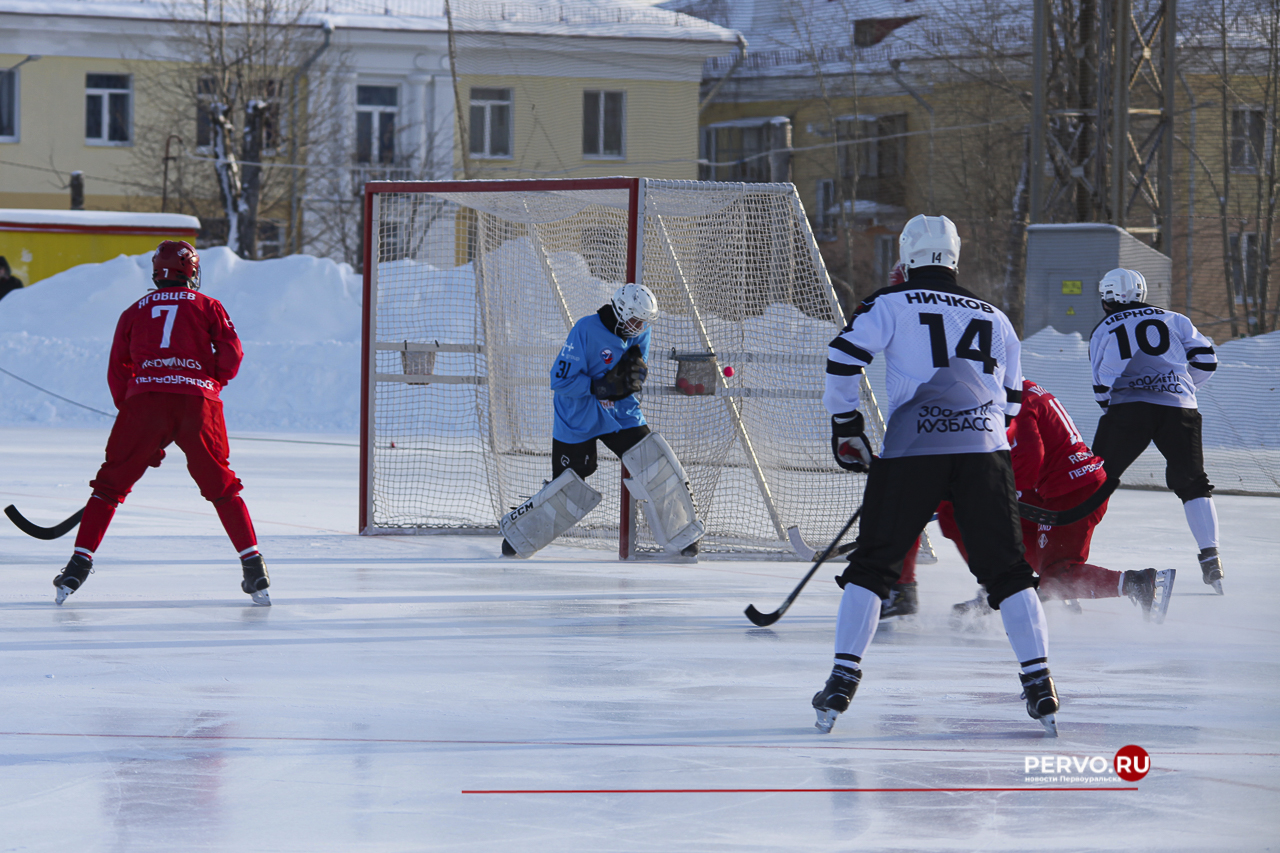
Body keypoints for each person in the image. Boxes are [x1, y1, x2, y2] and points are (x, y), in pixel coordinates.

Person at [815, 214, 1059, 736]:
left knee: (873, 567)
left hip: (912, 450)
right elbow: (1014, 402)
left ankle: (842, 679)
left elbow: (842, 356)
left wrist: (846, 425)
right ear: (955, 256)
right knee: (1009, 572)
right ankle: (1040, 682)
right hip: (984, 452)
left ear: (906, 255)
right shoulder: (995, 316)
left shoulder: (890, 302)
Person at [52, 240, 270, 606]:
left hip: (145, 403)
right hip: (197, 403)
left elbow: (118, 368)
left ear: (156, 273)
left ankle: (77, 566)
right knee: (222, 486)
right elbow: (232, 353)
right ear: (192, 272)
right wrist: (209, 382)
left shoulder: (133, 311)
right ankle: (254, 566)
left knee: (109, 487)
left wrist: (135, 423)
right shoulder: (209, 305)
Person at [940, 378, 1175, 622]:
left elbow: (1030, 457)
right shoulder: (1017, 387)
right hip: (1066, 485)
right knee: (1001, 530)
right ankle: (1011, 588)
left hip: (1070, 490)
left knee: (1054, 578)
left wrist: (992, 490)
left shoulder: (1010, 398)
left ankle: (1137, 582)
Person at [499, 284, 704, 560]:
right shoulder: (585, 330)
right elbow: (559, 381)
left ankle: (683, 534)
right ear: (621, 312)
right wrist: (598, 387)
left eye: (644, 322)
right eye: (636, 320)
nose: (640, 327)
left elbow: (634, 366)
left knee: (654, 464)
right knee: (567, 488)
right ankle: (519, 535)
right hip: (578, 415)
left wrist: (633, 375)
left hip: (620, 412)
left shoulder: (640, 330)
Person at [1087, 268, 1223, 594]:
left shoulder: (1104, 327)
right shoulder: (1175, 319)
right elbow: (1207, 361)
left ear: (1106, 298)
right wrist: (1182, 388)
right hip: (1179, 407)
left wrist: (1115, 410)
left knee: (1092, 480)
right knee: (1193, 482)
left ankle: (1062, 556)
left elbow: (1101, 382)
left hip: (1128, 409)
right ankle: (1212, 559)